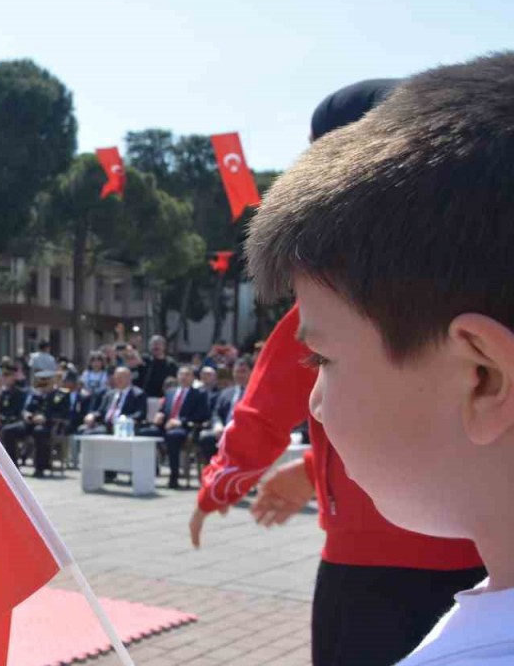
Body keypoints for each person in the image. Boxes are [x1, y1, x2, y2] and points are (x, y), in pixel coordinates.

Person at [192, 74, 489, 666]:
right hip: (479, 546)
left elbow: (270, 396)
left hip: (370, 559)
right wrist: (310, 466)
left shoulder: (338, 292)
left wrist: (223, 479)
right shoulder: (479, 276)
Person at [140, 366, 211, 489]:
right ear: (177, 377)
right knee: (144, 433)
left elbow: (202, 415)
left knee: (173, 436)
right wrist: (159, 414)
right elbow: (163, 410)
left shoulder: (199, 394)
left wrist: (180, 422)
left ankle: (174, 476)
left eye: (187, 375)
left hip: (185, 428)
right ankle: (145, 472)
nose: (184, 377)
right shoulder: (171, 392)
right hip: (165, 426)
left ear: (193, 378)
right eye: (181, 374)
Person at [202, 359, 251, 464]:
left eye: (243, 371)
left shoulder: (255, 393)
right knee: (206, 438)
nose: (240, 375)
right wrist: (217, 425)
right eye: (237, 372)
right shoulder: (226, 393)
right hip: (223, 431)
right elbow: (216, 413)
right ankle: (213, 474)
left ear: (250, 372)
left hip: (245, 432)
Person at [82, 367, 147, 435]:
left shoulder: (138, 394)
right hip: (106, 426)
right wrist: (92, 415)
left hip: (123, 427)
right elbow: (101, 411)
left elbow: (140, 414)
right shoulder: (110, 394)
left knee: (89, 433)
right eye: (117, 377)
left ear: (129, 378)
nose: (119, 379)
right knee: (82, 430)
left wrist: (123, 419)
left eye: (122, 377)